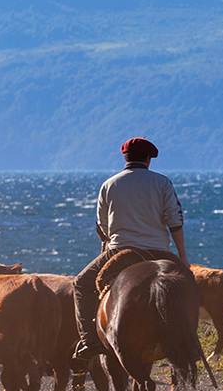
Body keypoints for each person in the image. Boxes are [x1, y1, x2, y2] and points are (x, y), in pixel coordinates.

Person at [71, 137, 188, 362]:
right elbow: (174, 219)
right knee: (187, 285)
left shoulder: (109, 184)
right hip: (159, 252)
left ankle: (90, 343)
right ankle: (189, 339)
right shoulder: (162, 183)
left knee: (81, 284)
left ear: (125, 158)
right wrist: (182, 256)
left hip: (120, 251)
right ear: (148, 159)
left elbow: (102, 227)